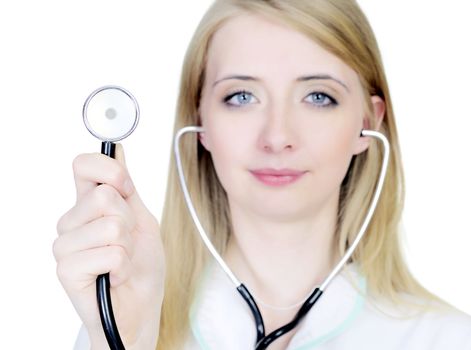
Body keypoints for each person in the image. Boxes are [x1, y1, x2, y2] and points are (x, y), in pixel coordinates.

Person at [53, 0, 471, 349]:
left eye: (318, 96)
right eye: (241, 96)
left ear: (369, 121)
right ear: (201, 121)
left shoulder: (446, 339)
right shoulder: (119, 326)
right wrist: (127, 338)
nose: (277, 137)